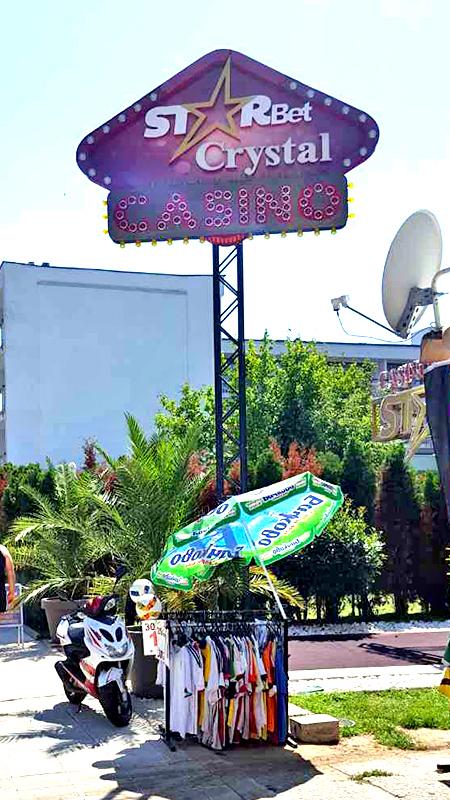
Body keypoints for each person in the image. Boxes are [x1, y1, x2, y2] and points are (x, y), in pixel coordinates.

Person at [0, 543, 16, 613]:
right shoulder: (3, 550)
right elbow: (10, 572)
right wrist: (11, 592)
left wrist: (11, 592)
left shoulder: (3, 550)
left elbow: (10, 572)